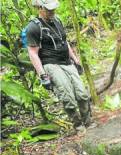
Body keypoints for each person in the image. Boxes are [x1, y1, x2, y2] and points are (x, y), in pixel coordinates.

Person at [27, 0, 91, 134]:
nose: (52, 12)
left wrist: (75, 59)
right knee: (67, 97)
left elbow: (64, 41)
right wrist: (42, 75)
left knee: (82, 94)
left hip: (66, 61)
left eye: (53, 9)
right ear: (40, 8)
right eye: (49, 9)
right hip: (51, 64)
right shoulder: (33, 27)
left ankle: (88, 122)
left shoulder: (57, 21)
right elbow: (33, 53)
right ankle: (78, 126)